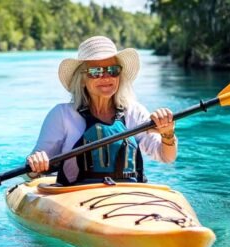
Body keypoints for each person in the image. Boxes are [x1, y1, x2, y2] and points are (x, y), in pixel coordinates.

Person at [25, 36, 177, 185]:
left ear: (120, 75)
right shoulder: (62, 115)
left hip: (129, 196)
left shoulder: (134, 112)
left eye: (112, 70)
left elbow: (167, 157)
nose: (106, 77)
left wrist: (167, 134)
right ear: (83, 79)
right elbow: (31, 173)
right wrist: (35, 163)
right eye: (96, 71)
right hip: (76, 198)